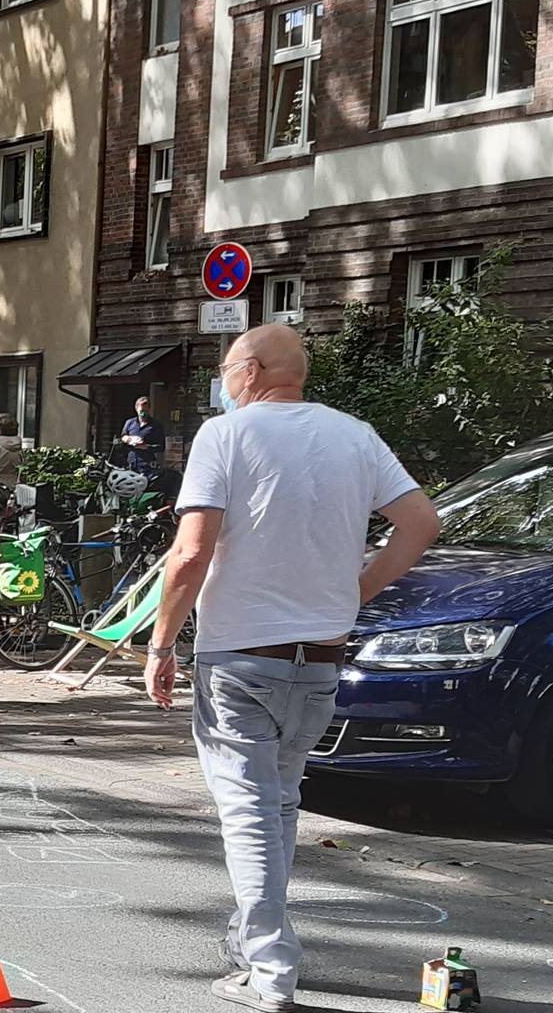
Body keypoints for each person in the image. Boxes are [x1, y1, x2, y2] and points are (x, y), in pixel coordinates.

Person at [145, 325, 441, 1013]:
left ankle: (271, 969)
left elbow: (190, 552)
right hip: (319, 659)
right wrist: (355, 593)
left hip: (241, 655)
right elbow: (421, 523)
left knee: (248, 810)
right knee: (276, 804)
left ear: (250, 370)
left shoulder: (226, 435)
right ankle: (249, 943)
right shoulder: (354, 436)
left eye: (227, 369)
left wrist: (160, 645)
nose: (224, 382)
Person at [120, 395, 168, 478]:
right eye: (141, 411)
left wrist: (145, 446)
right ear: (136, 409)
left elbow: (161, 447)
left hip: (147, 465)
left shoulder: (156, 425)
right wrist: (129, 439)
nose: (143, 414)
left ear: (149, 410)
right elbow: (122, 437)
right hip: (130, 463)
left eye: (146, 411)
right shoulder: (129, 423)